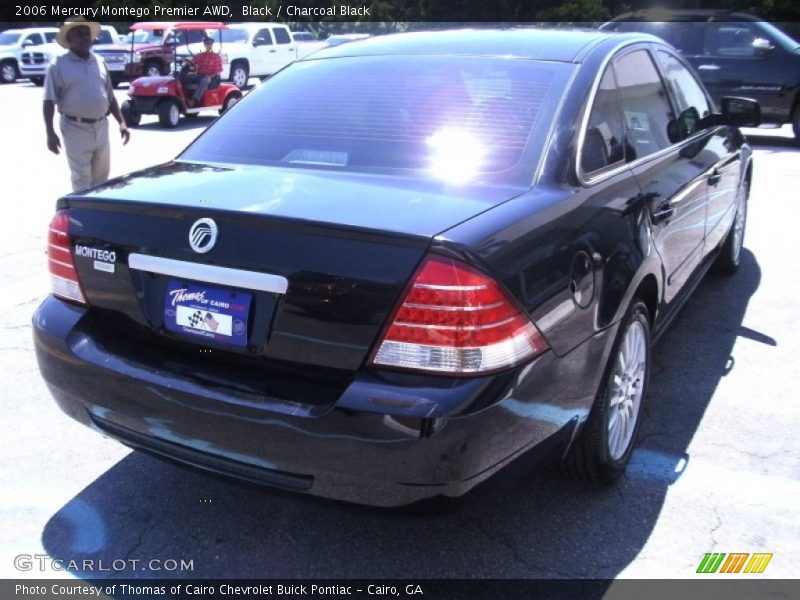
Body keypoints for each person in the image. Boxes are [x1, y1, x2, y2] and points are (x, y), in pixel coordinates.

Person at [43, 16, 130, 191]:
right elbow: (48, 101)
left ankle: (97, 213)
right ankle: (81, 214)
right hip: (75, 127)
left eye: (87, 33)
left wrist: (121, 122)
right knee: (81, 177)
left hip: (100, 126)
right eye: (79, 33)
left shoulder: (99, 61)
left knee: (102, 177)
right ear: (69, 39)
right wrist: (50, 132)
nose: (85, 37)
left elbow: (110, 97)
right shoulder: (58, 65)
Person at [188, 36, 223, 108]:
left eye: (210, 44)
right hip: (201, 76)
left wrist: (210, 77)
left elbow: (217, 72)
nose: (209, 45)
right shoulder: (200, 55)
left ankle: (193, 100)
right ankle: (185, 96)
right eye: (207, 44)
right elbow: (192, 62)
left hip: (213, 78)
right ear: (204, 45)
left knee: (205, 80)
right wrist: (188, 64)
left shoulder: (216, 57)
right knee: (187, 77)